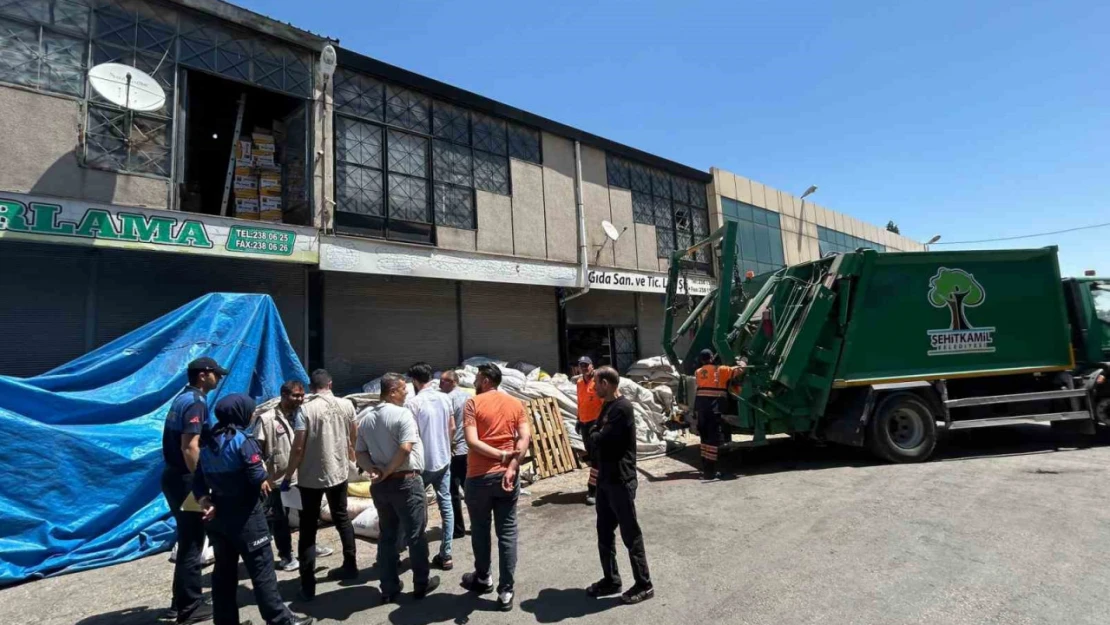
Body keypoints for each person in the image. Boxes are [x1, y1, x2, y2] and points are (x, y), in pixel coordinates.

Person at [193, 394, 313, 625]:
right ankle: (280, 620)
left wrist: (204, 501)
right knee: (262, 572)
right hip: (247, 517)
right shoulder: (242, 441)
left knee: (224, 574)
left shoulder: (207, 442)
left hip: (218, 516)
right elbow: (256, 476)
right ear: (240, 413)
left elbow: (197, 480)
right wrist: (263, 476)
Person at [355, 373, 440, 603]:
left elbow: (359, 453)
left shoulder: (367, 419)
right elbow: (405, 448)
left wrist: (373, 470)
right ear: (392, 391)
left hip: (382, 486)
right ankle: (421, 583)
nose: (406, 393)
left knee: (388, 536)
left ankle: (388, 587)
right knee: (415, 535)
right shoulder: (403, 415)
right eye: (403, 389)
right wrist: (389, 470)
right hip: (405, 482)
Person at [459, 364, 532, 612]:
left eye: (478, 377)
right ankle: (506, 591)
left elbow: (472, 441)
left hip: (479, 477)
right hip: (506, 478)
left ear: (487, 380)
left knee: (480, 530)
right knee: (507, 532)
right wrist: (512, 465)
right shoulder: (515, 403)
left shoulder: (473, 404)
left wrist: (502, 456)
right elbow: (524, 438)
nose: (476, 381)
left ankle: (483, 578)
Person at [160, 356, 226, 624]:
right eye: (216, 375)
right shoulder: (196, 402)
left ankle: (182, 602)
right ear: (203, 375)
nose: (218, 378)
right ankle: (189, 608)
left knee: (188, 539)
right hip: (186, 480)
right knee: (193, 543)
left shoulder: (181, 398)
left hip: (173, 478)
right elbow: (190, 446)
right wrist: (203, 485)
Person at [282, 369, 358, 600]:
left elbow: (297, 447)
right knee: (342, 517)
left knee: (307, 527)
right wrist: (348, 454)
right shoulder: (346, 405)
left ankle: (307, 584)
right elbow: (354, 434)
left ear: (311, 386)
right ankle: (350, 565)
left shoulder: (305, 409)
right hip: (338, 471)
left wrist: (288, 475)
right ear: (330, 383)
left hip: (311, 476)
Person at [585, 367, 654, 604]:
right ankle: (611, 579)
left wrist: (595, 435)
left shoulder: (623, 408)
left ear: (606, 383)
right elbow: (595, 436)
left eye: (596, 383)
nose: (593, 387)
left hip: (620, 481)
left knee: (630, 534)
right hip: (605, 479)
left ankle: (644, 584)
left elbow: (601, 440)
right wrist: (595, 434)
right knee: (604, 532)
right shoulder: (607, 407)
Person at [250, 380, 306, 572]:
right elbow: (256, 452)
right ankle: (286, 555)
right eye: (295, 395)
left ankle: (308, 548)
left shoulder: (304, 414)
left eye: (301, 395)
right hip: (278, 479)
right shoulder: (267, 419)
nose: (299, 399)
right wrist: (262, 477)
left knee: (307, 514)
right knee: (280, 519)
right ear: (283, 395)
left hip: (303, 475)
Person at [405, 362, 456, 570]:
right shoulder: (445, 398)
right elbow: (451, 427)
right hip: (443, 460)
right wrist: (445, 445)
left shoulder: (413, 404)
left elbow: (411, 437)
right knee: (447, 505)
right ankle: (446, 554)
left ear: (416, 381)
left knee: (414, 508)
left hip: (422, 465)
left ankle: (411, 550)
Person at [693, 349, 744, 480]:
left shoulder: (698, 372)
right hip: (713, 409)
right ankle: (710, 473)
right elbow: (738, 371)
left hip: (701, 409)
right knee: (712, 440)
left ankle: (706, 469)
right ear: (711, 357)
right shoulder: (720, 370)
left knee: (704, 439)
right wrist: (744, 361)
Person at [439, 370, 470, 539]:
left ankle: (458, 528)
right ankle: (478, 522)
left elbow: (447, 427)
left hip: (452, 451)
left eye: (443, 382)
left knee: (452, 492)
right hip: (467, 449)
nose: (439, 385)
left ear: (453, 382)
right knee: (469, 489)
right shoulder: (468, 397)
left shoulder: (446, 400)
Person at [575, 357, 604, 505]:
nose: (584, 368)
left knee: (597, 459)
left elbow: (606, 403)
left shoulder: (599, 381)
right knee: (593, 457)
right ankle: (601, 486)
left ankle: (593, 489)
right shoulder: (579, 383)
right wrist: (578, 419)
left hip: (596, 424)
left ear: (592, 366)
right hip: (585, 424)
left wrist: (602, 424)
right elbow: (580, 402)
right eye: (581, 365)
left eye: (586, 365)